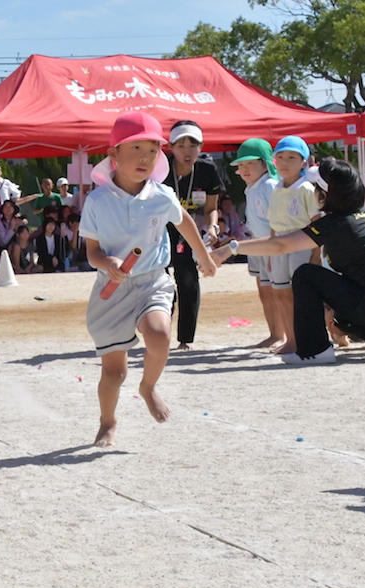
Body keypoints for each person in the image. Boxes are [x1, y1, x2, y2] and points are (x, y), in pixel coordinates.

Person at [81, 111, 215, 447]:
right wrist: (107, 262)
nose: (145, 157)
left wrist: (203, 255)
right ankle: (107, 421)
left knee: (159, 334)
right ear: (113, 154)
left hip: (153, 281)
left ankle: (148, 386)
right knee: (114, 373)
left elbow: (184, 221)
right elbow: (92, 252)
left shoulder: (161, 195)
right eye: (136, 148)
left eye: (153, 150)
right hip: (111, 290)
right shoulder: (97, 201)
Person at [212, 158, 365, 364]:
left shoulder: (335, 223)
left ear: (326, 193)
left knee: (305, 274)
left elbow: (281, 245)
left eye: (316, 187)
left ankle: (315, 350)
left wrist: (232, 248)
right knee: (339, 311)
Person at [162, 120, 222, 350]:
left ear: (201, 146)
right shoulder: (161, 169)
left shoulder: (207, 170)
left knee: (188, 279)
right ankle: (160, 333)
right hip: (159, 230)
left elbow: (210, 208)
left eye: (193, 145)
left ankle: (185, 339)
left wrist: (213, 226)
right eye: (180, 146)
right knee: (160, 281)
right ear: (171, 147)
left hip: (189, 230)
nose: (187, 152)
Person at [265, 135, 320, 355]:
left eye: (291, 157)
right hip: (279, 244)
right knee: (280, 293)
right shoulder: (276, 188)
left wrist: (316, 253)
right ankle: (291, 338)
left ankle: (304, 338)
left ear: (304, 162)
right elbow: (273, 223)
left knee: (300, 295)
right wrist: (270, 252)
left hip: (301, 243)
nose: (285, 162)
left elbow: (317, 224)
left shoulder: (307, 189)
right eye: (280, 157)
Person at [230, 138, 282, 348]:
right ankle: (274, 333)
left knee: (278, 292)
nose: (244, 169)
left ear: (265, 164)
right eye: (241, 164)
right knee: (265, 291)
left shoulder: (269, 185)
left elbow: (276, 220)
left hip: (271, 246)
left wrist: (272, 249)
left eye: (250, 163)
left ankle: (281, 334)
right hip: (257, 245)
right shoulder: (251, 187)